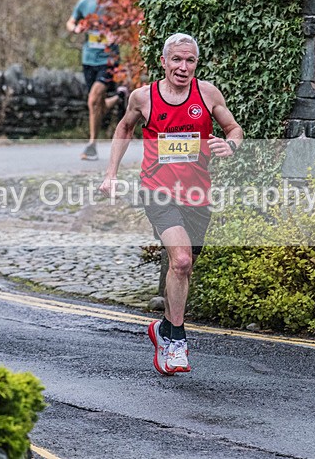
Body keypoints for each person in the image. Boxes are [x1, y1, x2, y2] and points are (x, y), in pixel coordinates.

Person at [99, 33, 243, 375]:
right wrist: (111, 174)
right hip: (157, 190)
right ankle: (176, 341)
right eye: (176, 60)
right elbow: (124, 130)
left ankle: (163, 328)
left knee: (186, 266)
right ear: (163, 62)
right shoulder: (143, 97)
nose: (182, 67)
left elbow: (234, 129)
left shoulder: (207, 94)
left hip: (197, 195)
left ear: (196, 63)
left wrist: (231, 145)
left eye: (189, 60)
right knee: (179, 261)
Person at [67, 0, 128, 161]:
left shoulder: (115, 5)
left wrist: (116, 36)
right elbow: (70, 22)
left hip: (109, 61)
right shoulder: (84, 3)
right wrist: (76, 28)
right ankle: (118, 98)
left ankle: (92, 144)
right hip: (89, 59)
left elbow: (128, 27)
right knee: (98, 103)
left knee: (93, 99)